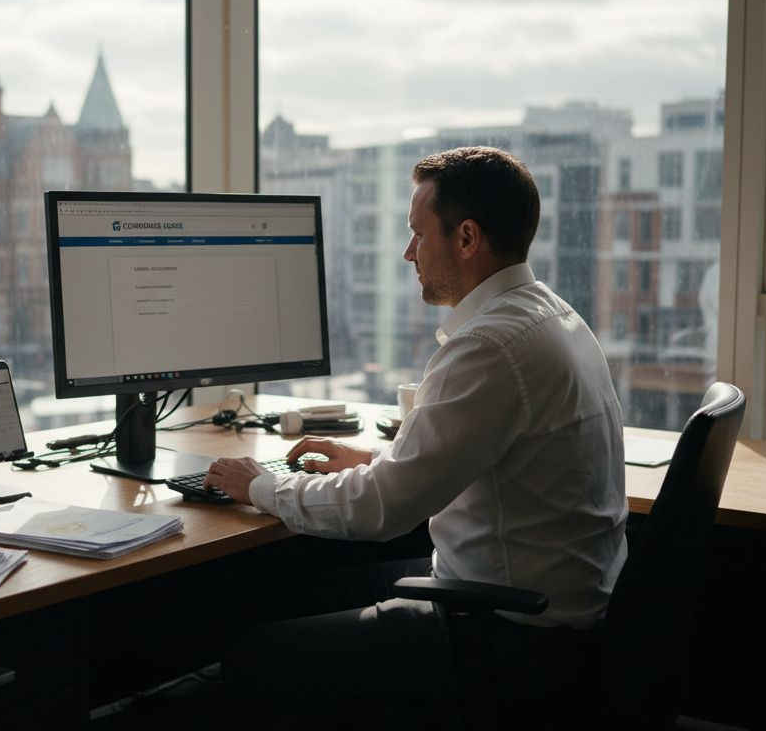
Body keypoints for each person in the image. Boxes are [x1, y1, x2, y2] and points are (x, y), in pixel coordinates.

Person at [203, 146, 627, 724]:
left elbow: (380, 509)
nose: (408, 253)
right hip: (557, 614)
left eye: (417, 234)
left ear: (468, 237)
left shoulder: (489, 346)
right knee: (297, 593)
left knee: (253, 656)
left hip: (507, 634)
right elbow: (473, 455)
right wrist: (375, 455)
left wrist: (258, 486)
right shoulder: (554, 317)